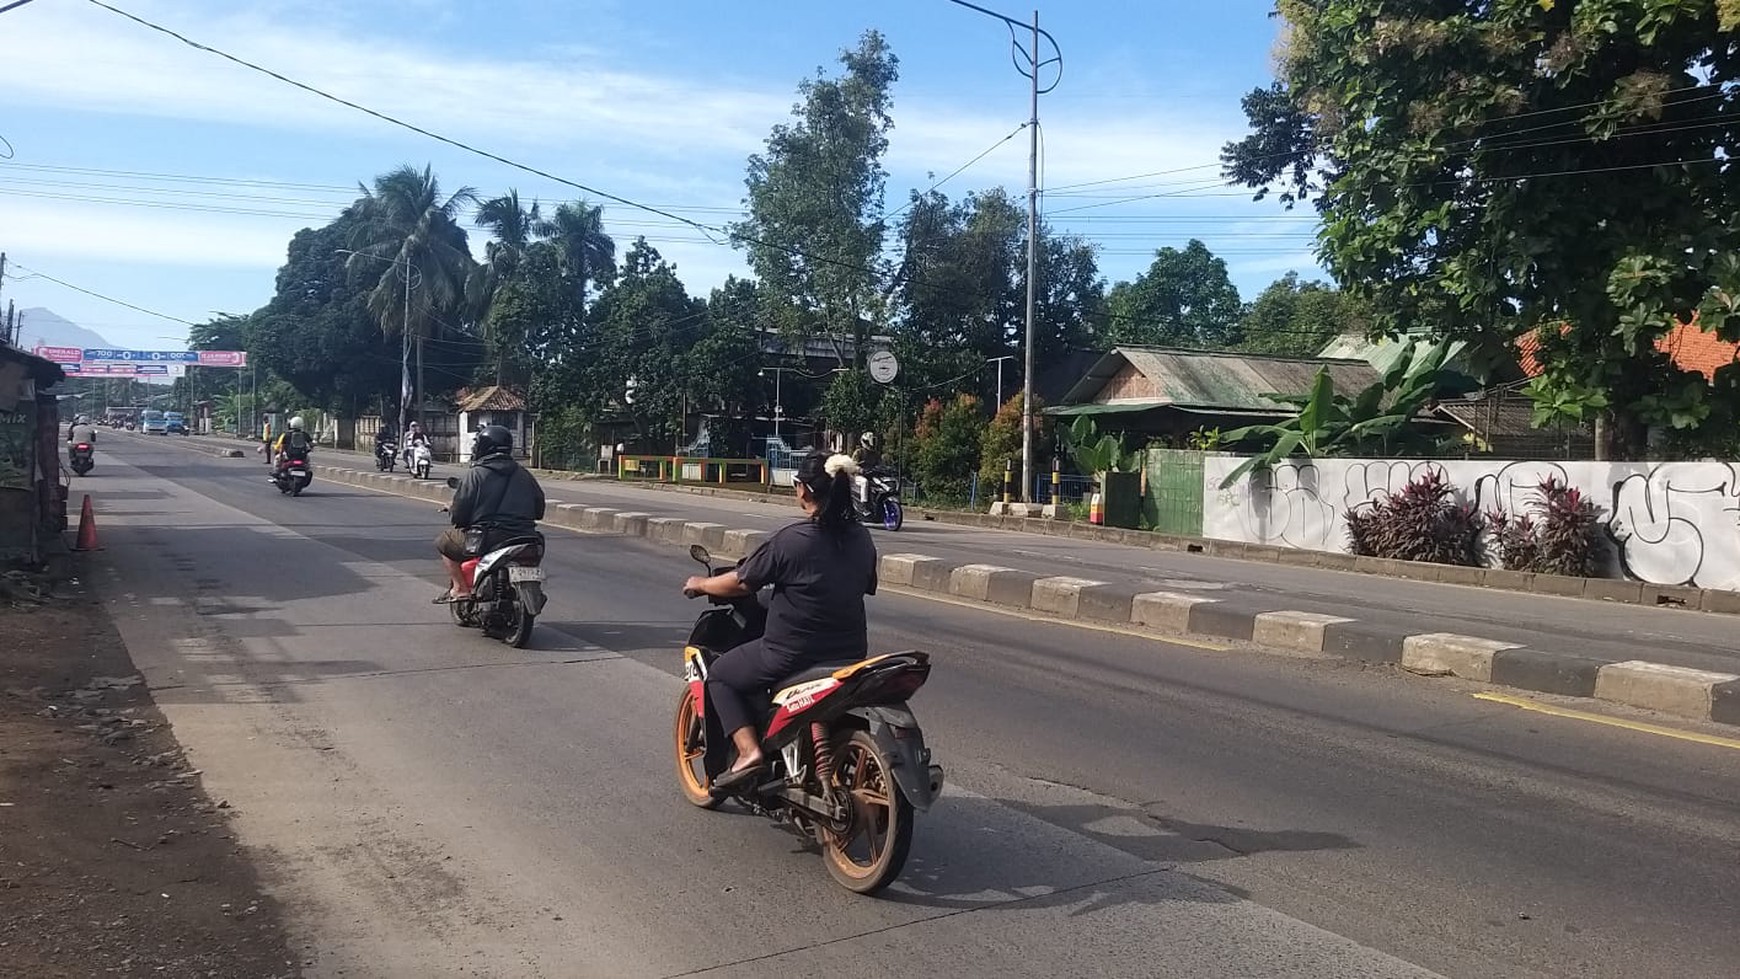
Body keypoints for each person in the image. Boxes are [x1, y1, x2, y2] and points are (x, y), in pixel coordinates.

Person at [682, 451, 877, 792]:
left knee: (721, 675)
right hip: (850, 654)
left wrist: (700, 585)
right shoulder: (861, 538)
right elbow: (862, 584)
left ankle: (748, 752)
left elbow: (742, 581)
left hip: (791, 653)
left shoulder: (792, 540)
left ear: (802, 490)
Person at [434, 424, 545, 604]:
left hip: (488, 538)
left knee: (444, 541)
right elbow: (539, 510)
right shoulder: (524, 474)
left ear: (483, 447)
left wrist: (456, 515)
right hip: (525, 537)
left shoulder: (476, 474)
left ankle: (460, 588)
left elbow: (460, 514)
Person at [850, 431, 881, 504]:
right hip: (858, 476)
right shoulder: (859, 452)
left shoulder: (875, 454)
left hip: (871, 475)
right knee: (865, 482)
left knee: (880, 483)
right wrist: (860, 470)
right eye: (870, 442)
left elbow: (880, 464)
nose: (872, 444)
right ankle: (864, 504)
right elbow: (853, 465)